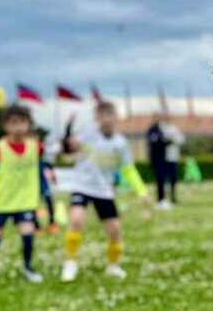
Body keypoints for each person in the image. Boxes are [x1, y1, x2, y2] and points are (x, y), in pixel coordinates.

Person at [60, 101, 150, 282]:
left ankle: (113, 266)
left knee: (115, 230)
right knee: (76, 220)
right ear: (97, 118)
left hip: (104, 190)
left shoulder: (121, 143)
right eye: (102, 115)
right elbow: (68, 149)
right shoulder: (87, 135)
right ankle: (70, 263)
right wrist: (68, 138)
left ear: (116, 117)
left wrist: (142, 192)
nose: (106, 118)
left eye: (110, 114)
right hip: (82, 186)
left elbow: (128, 170)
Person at [0, 105, 44, 289]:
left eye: (22, 122)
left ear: (29, 124)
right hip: (2, 201)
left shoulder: (35, 146)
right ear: (5, 125)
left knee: (28, 234)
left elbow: (54, 156)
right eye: (13, 123)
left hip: (25, 200)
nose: (18, 127)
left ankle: (28, 267)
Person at [146, 114, 170, 209]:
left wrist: (168, 141)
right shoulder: (152, 130)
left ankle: (162, 199)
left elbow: (163, 142)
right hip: (156, 159)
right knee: (160, 179)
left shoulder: (160, 130)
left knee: (162, 180)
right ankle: (160, 200)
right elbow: (156, 143)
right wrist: (165, 141)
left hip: (162, 158)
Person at [161, 116, 185, 204]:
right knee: (163, 179)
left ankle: (173, 196)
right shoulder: (161, 128)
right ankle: (163, 198)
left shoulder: (174, 129)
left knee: (173, 179)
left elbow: (181, 139)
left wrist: (173, 137)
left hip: (173, 158)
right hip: (164, 159)